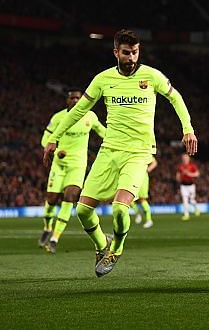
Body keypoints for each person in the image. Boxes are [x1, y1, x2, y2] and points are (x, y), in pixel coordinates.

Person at [43, 29, 197, 277]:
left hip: (138, 153)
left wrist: (188, 129)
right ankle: (101, 245)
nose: (131, 57)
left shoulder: (152, 76)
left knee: (119, 209)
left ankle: (117, 248)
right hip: (109, 151)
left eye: (135, 52)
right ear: (116, 52)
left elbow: (176, 98)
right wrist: (53, 138)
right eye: (126, 53)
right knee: (82, 210)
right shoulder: (103, 79)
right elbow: (79, 110)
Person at [38, 89, 106, 254]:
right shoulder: (58, 118)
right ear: (67, 101)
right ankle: (47, 227)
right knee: (52, 200)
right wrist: (57, 150)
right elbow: (44, 140)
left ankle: (54, 238)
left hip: (78, 165)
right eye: (72, 98)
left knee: (69, 198)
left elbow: (104, 133)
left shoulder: (90, 116)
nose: (76, 100)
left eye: (78, 98)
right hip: (59, 165)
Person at [130, 156, 157, 228]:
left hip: (142, 178)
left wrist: (148, 169)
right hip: (132, 177)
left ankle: (149, 220)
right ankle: (137, 213)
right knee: (129, 198)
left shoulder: (144, 150)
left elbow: (154, 163)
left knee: (142, 199)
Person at [176, 153, 200, 220]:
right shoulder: (180, 167)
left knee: (192, 200)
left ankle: (196, 208)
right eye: (184, 158)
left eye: (186, 158)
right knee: (185, 200)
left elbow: (197, 174)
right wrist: (179, 177)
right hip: (183, 185)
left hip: (191, 185)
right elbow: (177, 176)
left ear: (189, 159)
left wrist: (189, 174)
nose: (185, 159)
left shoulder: (192, 166)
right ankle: (186, 215)